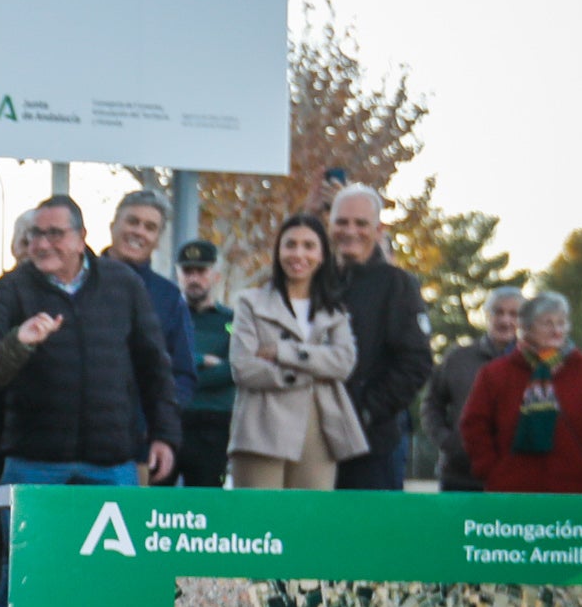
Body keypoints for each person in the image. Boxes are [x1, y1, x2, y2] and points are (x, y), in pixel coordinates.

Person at [0, 195, 180, 486]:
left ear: (81, 238)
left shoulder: (123, 284)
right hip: (34, 462)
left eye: (55, 234)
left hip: (112, 463)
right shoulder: (14, 285)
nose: (42, 244)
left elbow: (154, 365)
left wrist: (164, 436)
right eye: (36, 235)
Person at [223, 214, 365, 490]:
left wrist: (282, 351)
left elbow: (344, 363)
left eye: (309, 246)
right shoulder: (250, 303)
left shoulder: (335, 311)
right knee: (259, 525)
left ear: (322, 255)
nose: (298, 253)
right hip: (259, 430)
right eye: (290, 244)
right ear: (278, 252)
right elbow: (243, 367)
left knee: (309, 525)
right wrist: (311, 372)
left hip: (320, 430)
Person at [459, 290, 582, 493]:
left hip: (578, 490)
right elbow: (475, 425)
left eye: (562, 322)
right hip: (510, 491)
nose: (556, 330)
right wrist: (492, 470)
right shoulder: (495, 374)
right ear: (526, 328)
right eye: (547, 323)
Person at [325, 185, 433, 490]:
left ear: (378, 229)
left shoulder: (397, 285)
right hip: (314, 440)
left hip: (371, 445)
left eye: (361, 224)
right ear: (330, 225)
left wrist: (366, 411)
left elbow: (416, 363)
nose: (351, 231)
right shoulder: (316, 281)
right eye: (342, 222)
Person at [106, 189, 200, 437]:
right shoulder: (77, 280)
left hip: (136, 445)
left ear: (158, 239)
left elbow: (183, 374)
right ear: (113, 225)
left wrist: (155, 424)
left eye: (150, 227)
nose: (139, 231)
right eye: (132, 221)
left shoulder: (168, 297)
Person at [431, 286, 525, 491]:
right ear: (487, 316)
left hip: (516, 475)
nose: (505, 320)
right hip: (460, 473)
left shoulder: (535, 365)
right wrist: (448, 441)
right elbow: (432, 404)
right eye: (498, 312)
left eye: (513, 314)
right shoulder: (457, 358)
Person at [175, 238, 237, 488]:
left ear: (216, 275)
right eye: (188, 271)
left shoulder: (233, 321)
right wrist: (201, 360)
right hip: (173, 421)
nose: (194, 278)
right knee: (155, 508)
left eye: (201, 271)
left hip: (215, 425)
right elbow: (159, 363)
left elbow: (235, 370)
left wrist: (182, 372)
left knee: (207, 507)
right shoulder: (167, 318)